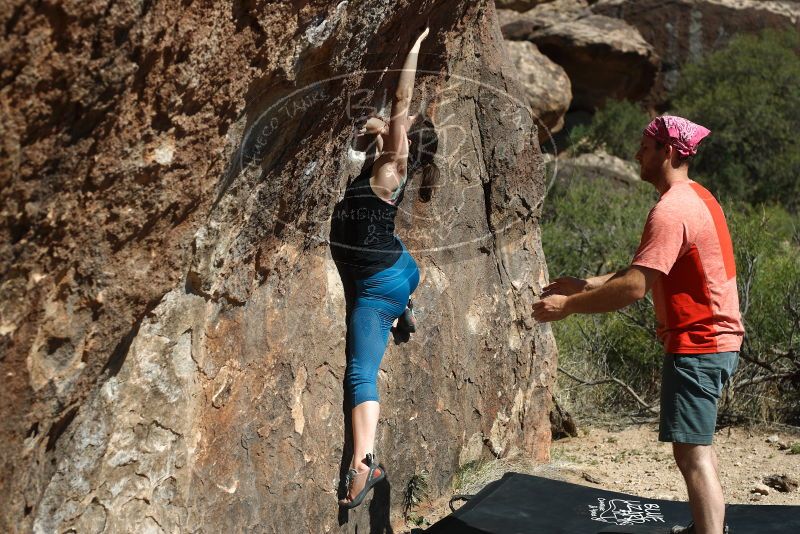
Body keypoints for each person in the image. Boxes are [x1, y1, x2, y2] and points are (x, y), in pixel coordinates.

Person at [533, 115, 743, 534]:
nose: (636, 155)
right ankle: (708, 525)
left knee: (692, 457)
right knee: (696, 450)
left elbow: (634, 288)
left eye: (644, 148)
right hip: (714, 341)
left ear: (667, 151)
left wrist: (569, 305)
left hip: (699, 344)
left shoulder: (671, 210)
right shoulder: (698, 197)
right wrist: (588, 283)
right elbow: (648, 270)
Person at [330, 26, 439, 509]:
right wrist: (375, 128)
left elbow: (401, 95)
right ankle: (407, 308)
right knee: (394, 271)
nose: (400, 118)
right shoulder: (390, 163)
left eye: (403, 121)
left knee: (360, 373)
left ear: (406, 136)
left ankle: (362, 462)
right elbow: (385, 121)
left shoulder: (392, 164)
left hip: (378, 288)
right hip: (400, 269)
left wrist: (411, 48)